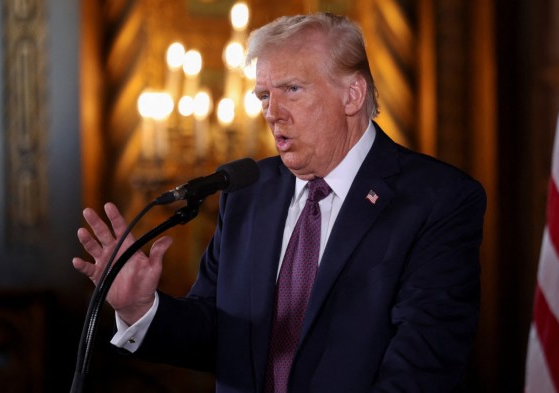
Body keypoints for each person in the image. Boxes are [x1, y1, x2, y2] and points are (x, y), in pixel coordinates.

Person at [73, 12, 486, 393]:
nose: (272, 112)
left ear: (353, 95)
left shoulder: (438, 199)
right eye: (263, 96)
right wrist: (141, 307)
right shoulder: (247, 192)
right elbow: (218, 336)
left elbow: (422, 366)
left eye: (292, 89)